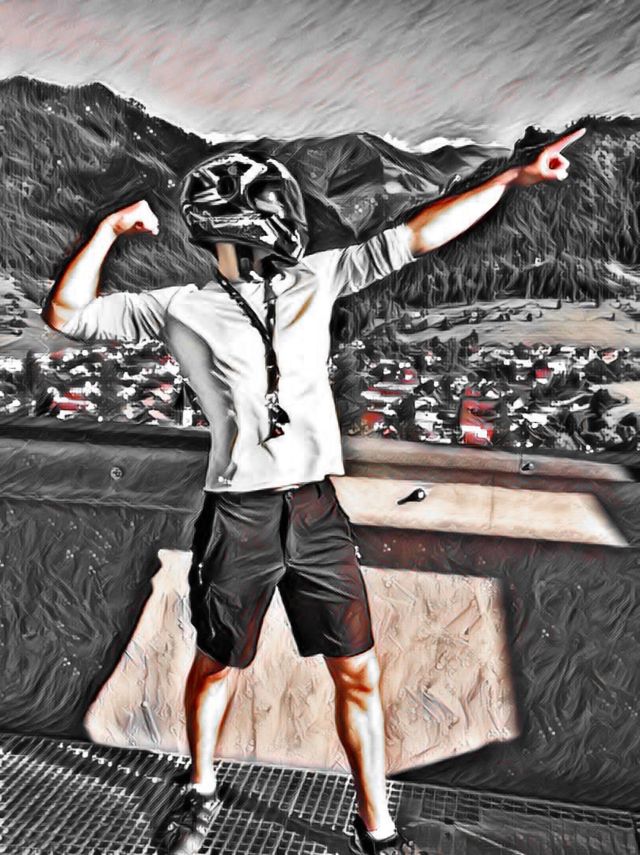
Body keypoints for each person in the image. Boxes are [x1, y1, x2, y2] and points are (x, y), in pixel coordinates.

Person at [42, 128, 584, 855]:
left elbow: (417, 237)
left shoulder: (314, 279)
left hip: (314, 510)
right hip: (239, 513)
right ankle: (200, 788)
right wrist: (108, 231)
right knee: (217, 666)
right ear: (238, 221)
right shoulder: (181, 307)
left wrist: (511, 181)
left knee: (358, 672)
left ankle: (377, 831)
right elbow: (67, 315)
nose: (287, 221)